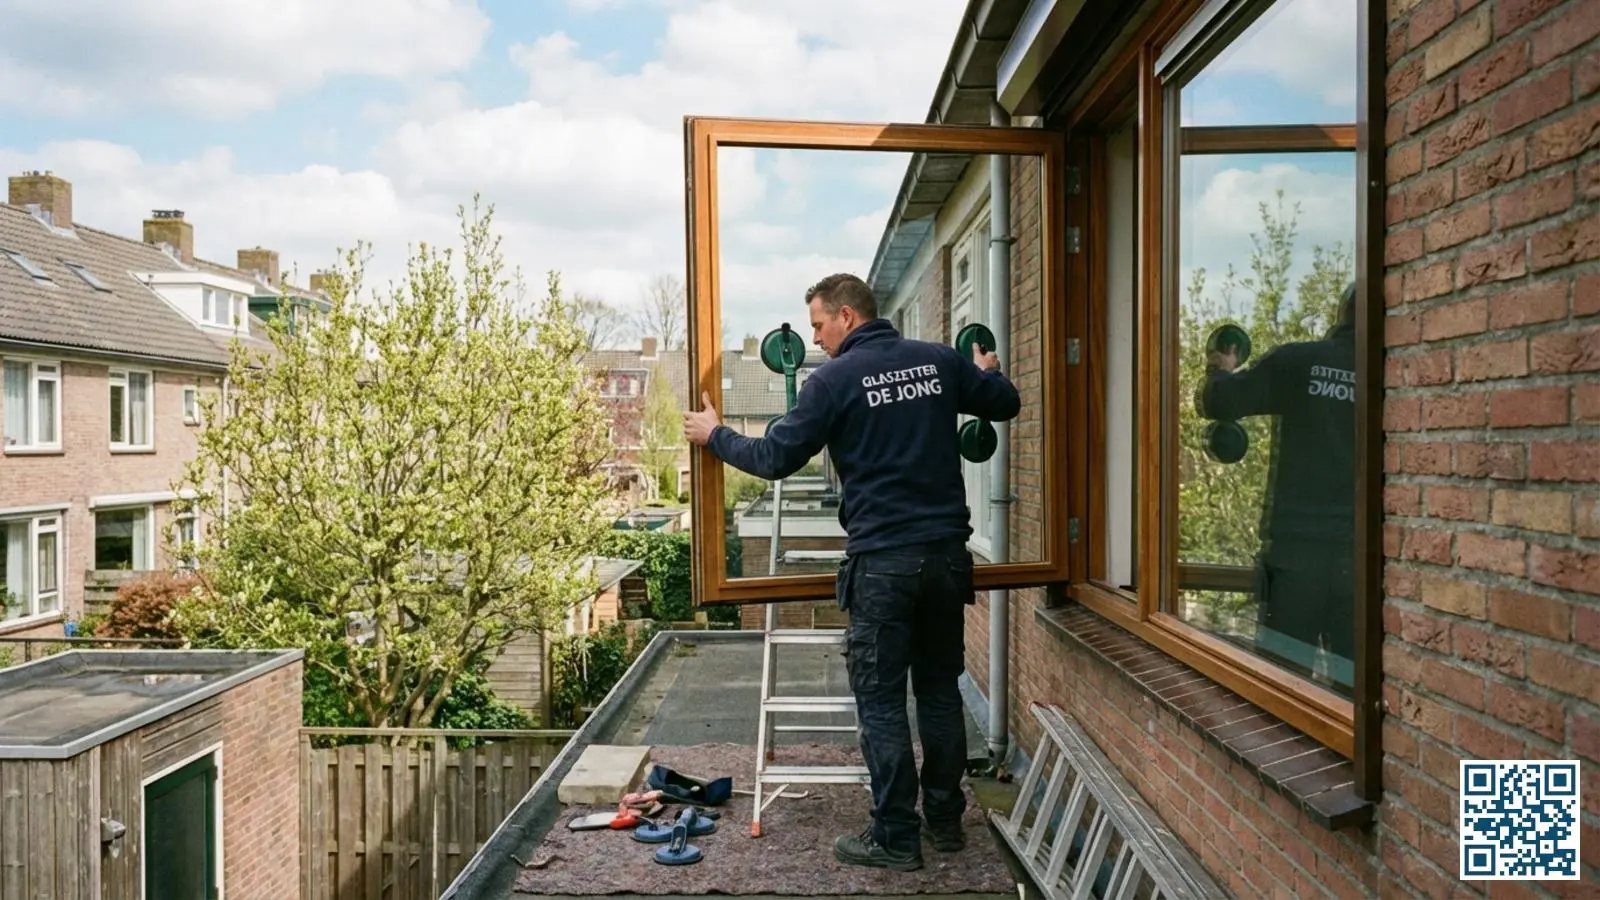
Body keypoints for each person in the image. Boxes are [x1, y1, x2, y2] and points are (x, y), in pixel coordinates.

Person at [683, 272, 1020, 871]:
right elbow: (1005, 403)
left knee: (884, 703)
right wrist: (986, 370)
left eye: (818, 325)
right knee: (940, 693)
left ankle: (895, 835)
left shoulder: (833, 380)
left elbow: (775, 457)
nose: (815, 340)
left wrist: (716, 436)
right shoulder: (939, 361)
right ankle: (945, 822)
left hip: (885, 564)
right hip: (946, 558)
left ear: (847, 315)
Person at [1196, 282, 1357, 671]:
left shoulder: (1299, 363)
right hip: (1363, 562)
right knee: (1354, 692)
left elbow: (1221, 401)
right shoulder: (1397, 372)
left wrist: (1221, 370)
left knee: (1280, 683)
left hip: (1294, 559)